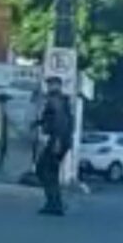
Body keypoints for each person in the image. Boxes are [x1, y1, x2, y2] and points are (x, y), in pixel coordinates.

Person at [35, 76, 74, 216]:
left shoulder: (55, 100)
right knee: (51, 171)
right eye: (49, 84)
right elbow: (52, 119)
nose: (49, 87)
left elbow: (59, 122)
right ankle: (55, 202)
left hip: (57, 140)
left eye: (51, 84)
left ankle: (54, 202)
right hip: (62, 140)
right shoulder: (61, 100)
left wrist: (57, 142)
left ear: (57, 85)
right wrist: (39, 123)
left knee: (43, 169)